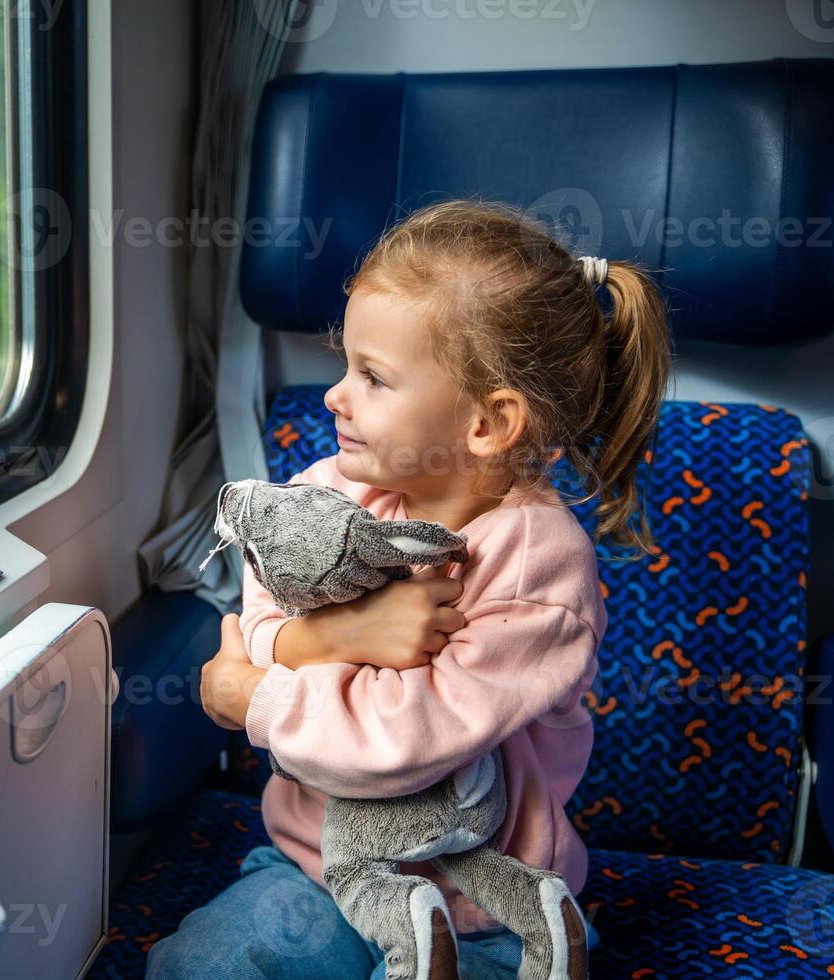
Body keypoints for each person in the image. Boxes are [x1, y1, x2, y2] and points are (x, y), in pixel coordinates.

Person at [149, 199, 672, 978]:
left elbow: (406, 747)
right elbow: (261, 605)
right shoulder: (338, 484)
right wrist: (333, 637)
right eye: (343, 364)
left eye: (373, 377)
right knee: (201, 966)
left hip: (481, 910)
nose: (334, 395)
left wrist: (257, 699)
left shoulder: (536, 564)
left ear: (489, 424)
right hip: (320, 873)